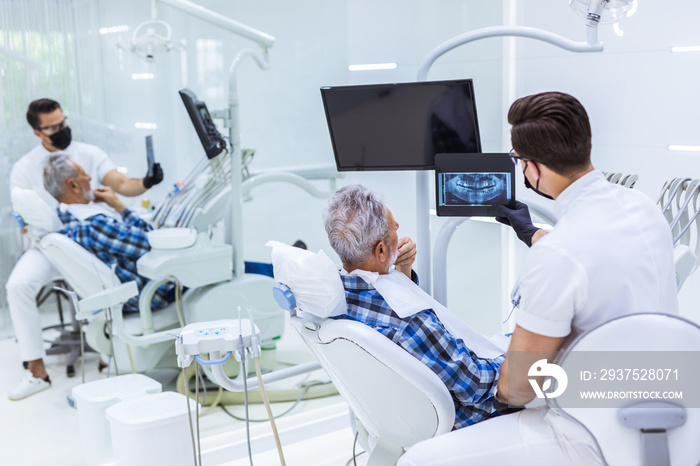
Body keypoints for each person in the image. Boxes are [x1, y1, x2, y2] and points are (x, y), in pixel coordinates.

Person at [398, 92, 679, 465]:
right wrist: (531, 233)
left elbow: (518, 387)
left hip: (592, 432)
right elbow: (594, 259)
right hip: (666, 408)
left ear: (532, 167)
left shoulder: (559, 254)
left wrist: (484, 389)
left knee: (419, 459)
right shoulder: (641, 207)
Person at [7, 98, 164, 400]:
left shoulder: (87, 154)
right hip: (50, 244)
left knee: (99, 278)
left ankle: (109, 349)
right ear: (38, 132)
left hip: (86, 239)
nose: (62, 129)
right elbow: (25, 218)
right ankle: (37, 372)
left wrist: (147, 181)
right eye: (53, 127)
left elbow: (120, 182)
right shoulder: (24, 168)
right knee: (18, 285)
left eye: (63, 122)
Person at [323, 184, 515, 429]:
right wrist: (521, 355)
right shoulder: (409, 321)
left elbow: (387, 301)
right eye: (393, 226)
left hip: (398, 416)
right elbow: (478, 386)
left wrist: (401, 272)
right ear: (380, 250)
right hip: (477, 415)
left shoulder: (340, 293)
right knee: (572, 367)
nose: (398, 228)